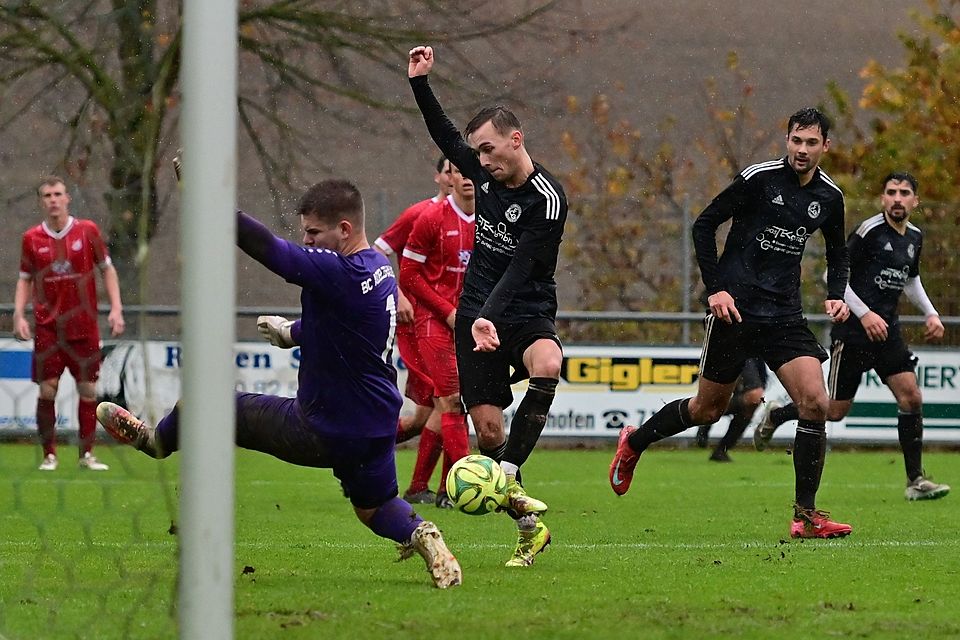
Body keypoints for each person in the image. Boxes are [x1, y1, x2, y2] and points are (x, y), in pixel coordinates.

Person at [97, 179, 461, 588]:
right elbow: (342, 324)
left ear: (344, 229)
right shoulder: (377, 268)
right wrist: (291, 333)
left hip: (324, 429)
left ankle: (155, 443)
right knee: (374, 508)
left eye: (313, 233)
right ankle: (424, 536)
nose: (305, 241)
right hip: (375, 427)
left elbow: (272, 251)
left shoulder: (334, 270)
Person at [609, 108, 854, 539]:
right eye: (796, 140)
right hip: (734, 311)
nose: (802, 150)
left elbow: (838, 251)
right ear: (787, 139)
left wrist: (836, 292)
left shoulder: (830, 197)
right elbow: (704, 225)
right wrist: (716, 288)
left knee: (816, 402)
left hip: (784, 316)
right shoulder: (759, 179)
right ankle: (634, 443)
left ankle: (806, 516)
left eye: (811, 143)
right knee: (708, 409)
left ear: (825, 147)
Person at [408, 45, 568, 566]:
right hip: (477, 309)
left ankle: (512, 473)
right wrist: (420, 83)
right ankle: (527, 525)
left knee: (548, 362)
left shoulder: (548, 199)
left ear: (515, 140)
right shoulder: (482, 171)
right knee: (490, 430)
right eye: (475, 153)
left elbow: (521, 268)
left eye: (488, 150)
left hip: (523, 308)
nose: (478, 162)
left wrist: (486, 318)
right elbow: (445, 134)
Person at [754, 172, 950, 501]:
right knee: (833, 410)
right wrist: (865, 313)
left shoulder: (915, 237)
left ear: (915, 201)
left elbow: (910, 279)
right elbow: (836, 275)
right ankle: (777, 414)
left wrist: (931, 312)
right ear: (883, 198)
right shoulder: (869, 231)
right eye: (891, 192)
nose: (897, 198)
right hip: (854, 333)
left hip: (888, 332)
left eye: (904, 193)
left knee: (911, 398)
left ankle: (915, 480)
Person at [13, 176, 125, 471]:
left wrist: (116, 308)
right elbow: (25, 280)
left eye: (58, 194)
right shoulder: (31, 239)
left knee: (88, 390)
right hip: (48, 327)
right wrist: (18, 314)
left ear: (67, 199)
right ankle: (49, 455)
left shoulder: (87, 231)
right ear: (41, 201)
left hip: (84, 327)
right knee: (47, 389)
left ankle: (86, 455)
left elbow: (107, 270)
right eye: (47, 195)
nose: (53, 199)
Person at [374, 156, 452, 507]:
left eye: (462, 170)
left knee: (422, 417)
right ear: (438, 176)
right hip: (422, 324)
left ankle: (358, 457)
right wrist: (398, 293)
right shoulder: (420, 214)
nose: (456, 177)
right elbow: (377, 253)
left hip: (452, 324)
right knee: (449, 402)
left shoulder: (473, 219)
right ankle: (427, 487)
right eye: (449, 170)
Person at [399, 161, 476, 501]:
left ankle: (432, 488)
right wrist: (446, 311)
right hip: (432, 321)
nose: (468, 177)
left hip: (473, 324)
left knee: (444, 408)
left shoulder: (491, 221)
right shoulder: (429, 217)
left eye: (475, 170)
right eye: (460, 171)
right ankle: (467, 486)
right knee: (452, 401)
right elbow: (408, 274)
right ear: (450, 178)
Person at [695, 357, 768, 462]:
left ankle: (722, 449)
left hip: (759, 352)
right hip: (740, 347)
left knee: (750, 406)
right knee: (754, 396)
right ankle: (708, 413)